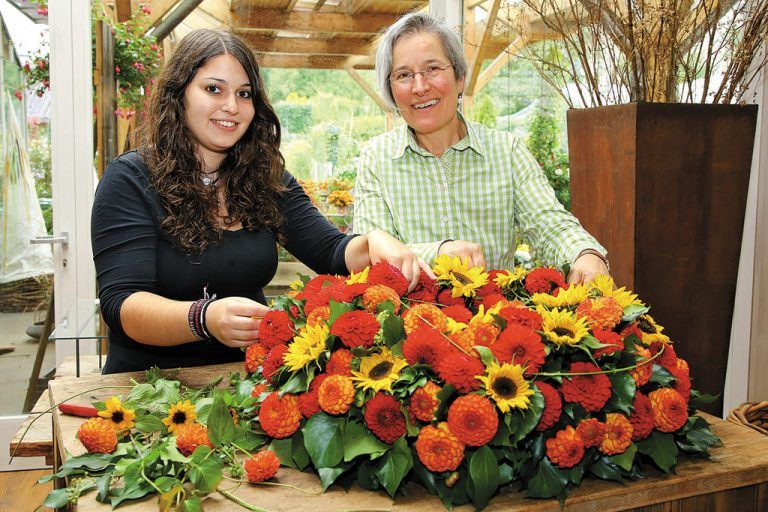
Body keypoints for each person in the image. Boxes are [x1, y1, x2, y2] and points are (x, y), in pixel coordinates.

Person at [92, 29, 426, 374]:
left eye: (244, 93)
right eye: (213, 89)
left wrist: (374, 243)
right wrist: (203, 318)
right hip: (146, 392)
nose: (232, 106)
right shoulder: (130, 179)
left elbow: (331, 252)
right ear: (179, 95)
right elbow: (123, 304)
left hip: (245, 384)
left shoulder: (265, 179)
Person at [353, 11, 609, 284]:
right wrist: (438, 253)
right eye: (403, 75)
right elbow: (371, 252)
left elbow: (550, 225)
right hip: (411, 322)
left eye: (433, 69)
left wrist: (585, 254)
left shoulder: (506, 151)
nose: (420, 87)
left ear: (460, 77)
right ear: (391, 90)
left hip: (498, 319)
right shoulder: (376, 157)